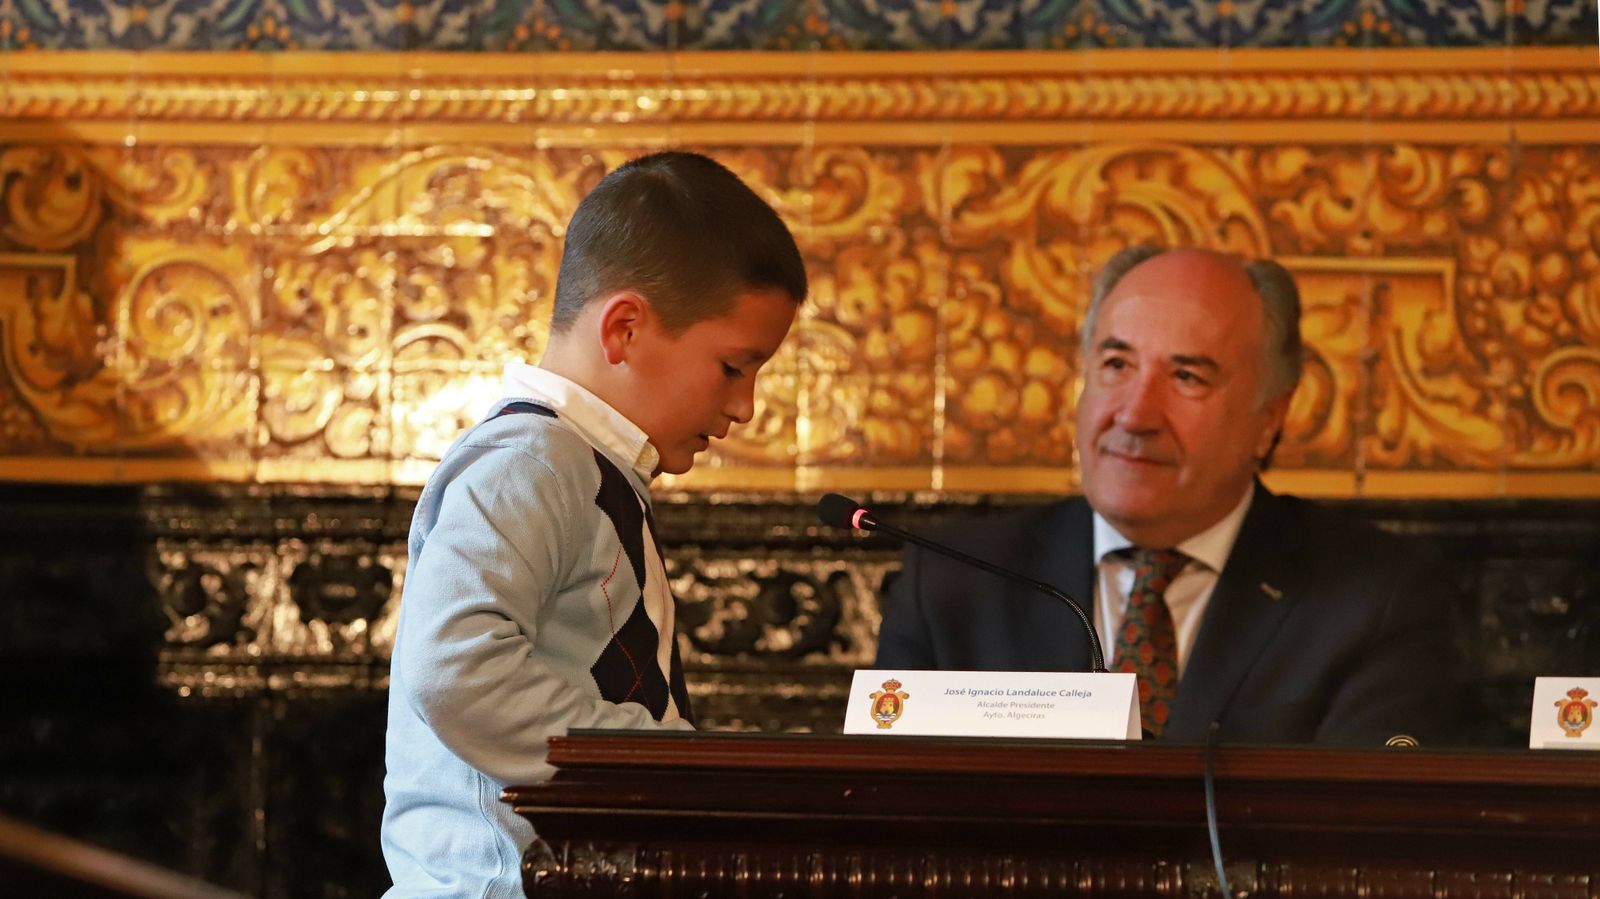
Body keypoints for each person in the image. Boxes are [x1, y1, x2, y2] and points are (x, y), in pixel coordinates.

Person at [382, 151, 807, 898]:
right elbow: (454, 669)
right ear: (624, 329)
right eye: (735, 367)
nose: (745, 407)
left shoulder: (586, 467)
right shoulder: (529, 461)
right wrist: (660, 765)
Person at [876, 246, 1459, 745]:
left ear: (1271, 416)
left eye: (1187, 377)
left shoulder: (1375, 597)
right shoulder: (955, 582)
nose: (1134, 414)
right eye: (1115, 363)